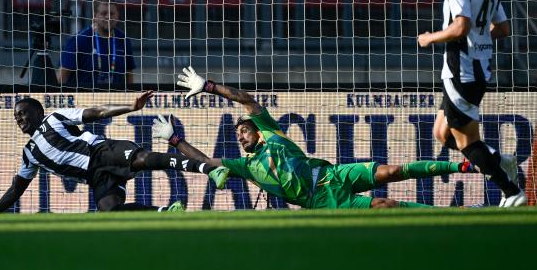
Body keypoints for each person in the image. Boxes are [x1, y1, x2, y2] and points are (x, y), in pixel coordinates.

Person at [151, 66, 478, 209]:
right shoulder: (246, 166)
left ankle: (463, 168)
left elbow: (247, 100)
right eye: (237, 135)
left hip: (331, 173)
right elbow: (205, 162)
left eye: (243, 130)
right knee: (385, 204)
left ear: (255, 130)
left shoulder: (271, 132)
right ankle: (442, 216)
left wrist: (210, 87)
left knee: (392, 171)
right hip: (320, 199)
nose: (240, 136)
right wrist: (175, 140)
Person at [418, 0, 525, 207]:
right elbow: (503, 28)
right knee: (441, 133)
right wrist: (479, 37)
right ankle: (500, 160)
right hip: (478, 69)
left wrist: (430, 37)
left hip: (461, 71)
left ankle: (511, 191)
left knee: (467, 142)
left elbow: (460, 26)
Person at [0, 90, 224, 213]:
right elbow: (15, 190)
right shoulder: (29, 154)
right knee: (110, 211)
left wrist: (131, 106)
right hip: (95, 176)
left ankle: (207, 169)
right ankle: (166, 212)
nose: (19, 118)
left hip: (102, 151)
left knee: (143, 159)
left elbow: (97, 112)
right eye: (16, 116)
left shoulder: (54, 118)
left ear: (38, 112)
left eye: (22, 112)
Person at [57, 0, 136, 90]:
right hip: (84, 99)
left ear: (117, 16)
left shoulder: (123, 40)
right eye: (104, 13)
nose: (108, 17)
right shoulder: (78, 40)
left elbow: (129, 72)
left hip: (115, 98)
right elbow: (62, 75)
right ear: (95, 16)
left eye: (112, 14)